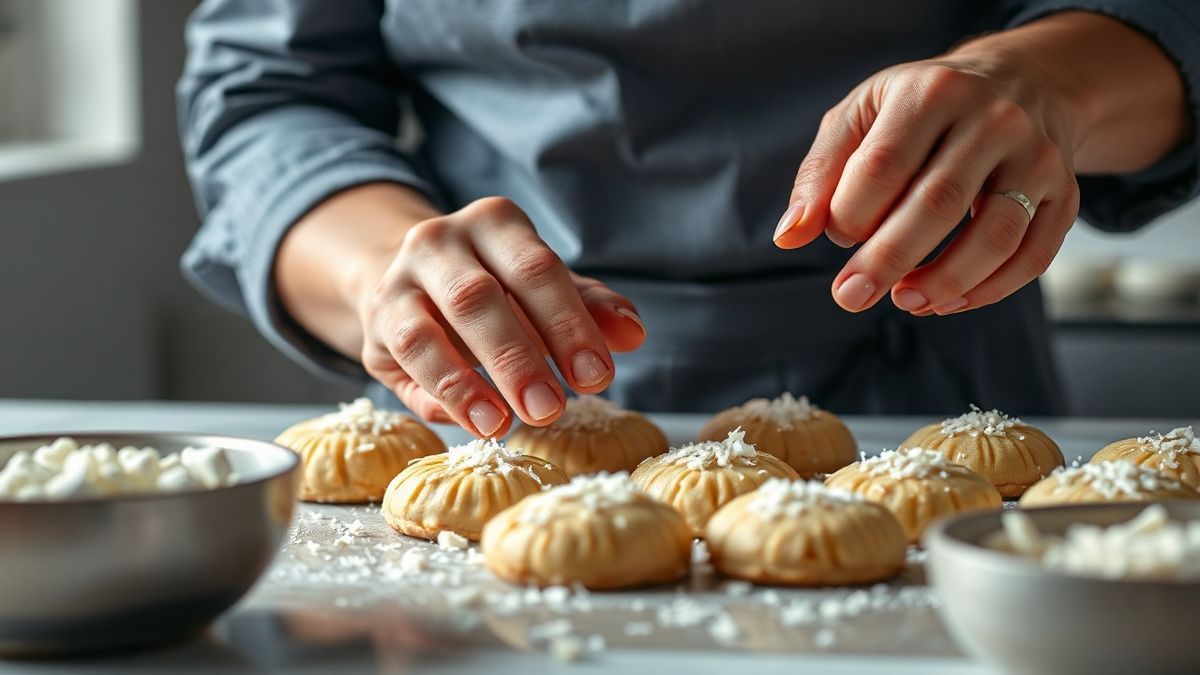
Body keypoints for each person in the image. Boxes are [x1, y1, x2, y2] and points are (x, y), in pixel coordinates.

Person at [178, 1, 1198, 439]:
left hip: (931, 364)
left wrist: (1049, 82)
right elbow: (267, 93)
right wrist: (379, 269)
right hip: (484, 399)